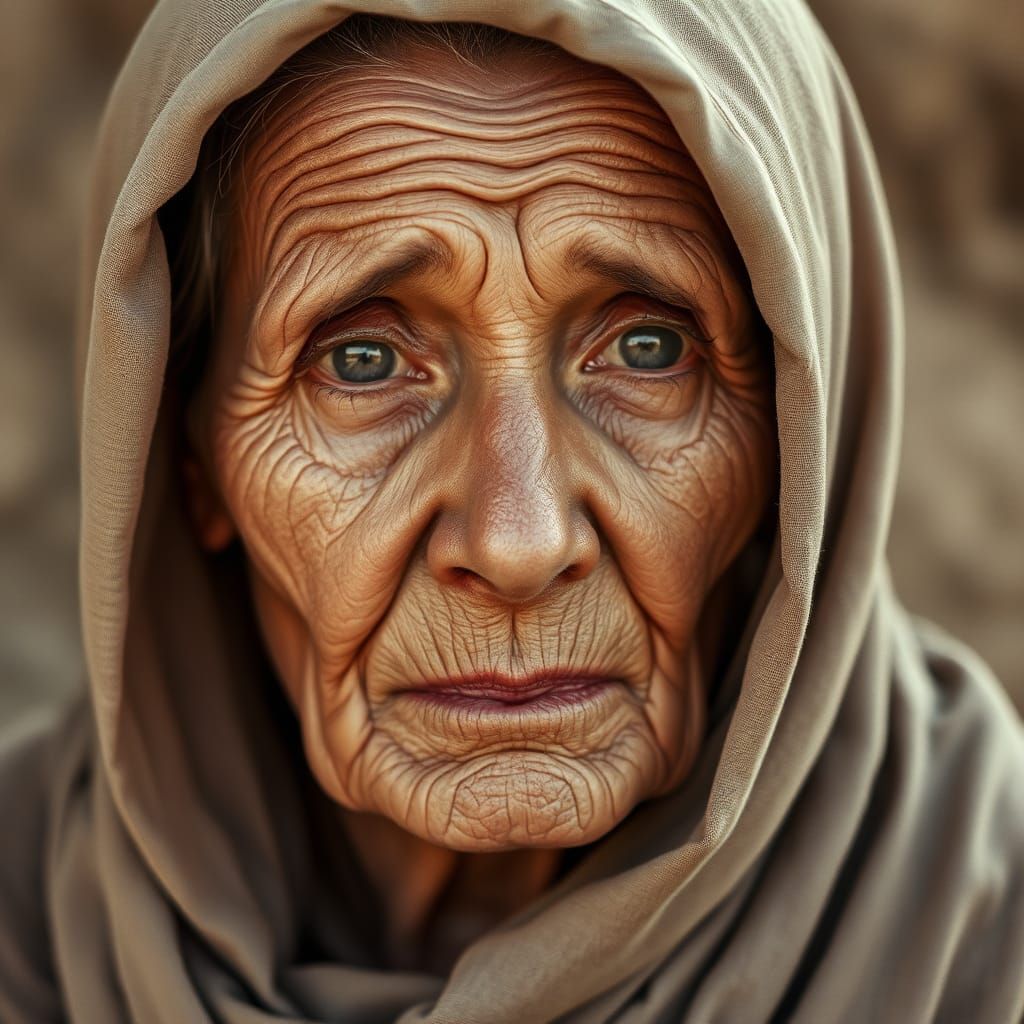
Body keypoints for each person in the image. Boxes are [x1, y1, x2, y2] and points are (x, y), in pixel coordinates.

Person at [1, 2, 1022, 1021]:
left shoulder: (982, 938)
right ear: (183, 457)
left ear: (800, 444)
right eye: (361, 363)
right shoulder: (26, 926)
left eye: (647, 350)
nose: (518, 540)